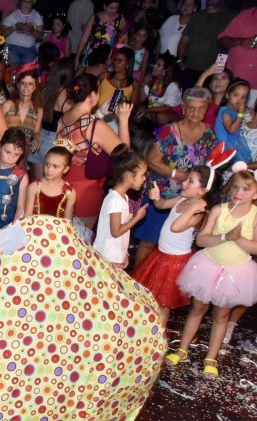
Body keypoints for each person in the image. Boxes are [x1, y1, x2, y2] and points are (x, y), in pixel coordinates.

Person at [168, 167, 257, 377]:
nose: (239, 192)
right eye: (235, 187)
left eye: (246, 189)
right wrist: (225, 236)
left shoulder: (255, 215)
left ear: (255, 193)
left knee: (221, 315)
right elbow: (201, 240)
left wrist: (238, 239)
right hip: (208, 266)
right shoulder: (219, 209)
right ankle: (182, 348)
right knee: (197, 309)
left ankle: (211, 357)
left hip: (235, 273)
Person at [138, 87, 217, 267]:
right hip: (162, 194)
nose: (196, 112)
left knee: (173, 248)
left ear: (206, 109)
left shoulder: (209, 135)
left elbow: (210, 166)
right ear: (183, 107)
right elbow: (152, 160)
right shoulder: (170, 131)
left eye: (201, 108)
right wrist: (178, 175)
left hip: (188, 201)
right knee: (149, 242)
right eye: (191, 108)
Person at [133, 163, 217, 327]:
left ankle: (157, 340)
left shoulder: (199, 213)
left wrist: (192, 208)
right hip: (161, 255)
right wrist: (157, 197)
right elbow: (162, 205)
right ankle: (146, 332)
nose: (184, 183)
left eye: (190, 181)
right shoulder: (184, 198)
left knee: (162, 305)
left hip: (174, 262)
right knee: (151, 299)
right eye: (186, 179)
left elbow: (176, 227)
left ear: (203, 191)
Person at [56, 74, 132, 230]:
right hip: (85, 193)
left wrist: (100, 114)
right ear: (92, 95)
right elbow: (124, 153)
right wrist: (123, 120)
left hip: (63, 185)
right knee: (80, 243)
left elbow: (81, 135)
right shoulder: (94, 125)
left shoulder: (64, 118)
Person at [94, 145, 147, 268]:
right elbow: (116, 231)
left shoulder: (123, 198)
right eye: (142, 175)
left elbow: (122, 233)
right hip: (107, 258)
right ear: (130, 177)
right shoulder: (115, 201)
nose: (144, 179)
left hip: (115, 256)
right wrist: (137, 218)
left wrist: (125, 253)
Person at [0, 129, 29, 234]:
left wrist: (14, 229)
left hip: (7, 228)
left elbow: (21, 208)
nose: (11, 158)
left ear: (21, 153)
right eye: (8, 152)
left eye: (16, 154)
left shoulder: (21, 175)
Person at [178, 0, 231, 88]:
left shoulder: (230, 16)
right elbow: (184, 40)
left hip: (213, 73)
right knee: (187, 99)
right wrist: (180, 61)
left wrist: (222, 69)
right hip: (190, 69)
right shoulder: (197, 16)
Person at [218, 5, 257, 103]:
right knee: (230, 116)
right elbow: (221, 41)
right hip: (235, 84)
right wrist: (240, 41)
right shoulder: (245, 15)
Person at [26, 143, 76, 219]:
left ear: (65, 169)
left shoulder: (69, 192)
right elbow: (27, 217)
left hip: (59, 230)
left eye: (55, 166)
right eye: (47, 164)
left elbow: (68, 222)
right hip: (34, 229)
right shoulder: (34, 187)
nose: (49, 170)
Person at [3, 68, 41, 160]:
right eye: (23, 83)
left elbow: (36, 132)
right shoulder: (8, 105)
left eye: (30, 84)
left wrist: (36, 139)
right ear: (18, 85)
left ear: (35, 87)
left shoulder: (38, 110)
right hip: (6, 153)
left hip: (23, 155)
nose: (26, 87)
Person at [76, 0, 126, 69]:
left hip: (110, 56)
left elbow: (124, 41)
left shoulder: (121, 19)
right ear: (104, 6)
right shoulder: (94, 18)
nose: (113, 10)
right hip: (93, 54)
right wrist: (77, 58)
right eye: (111, 8)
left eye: (116, 8)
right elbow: (84, 38)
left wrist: (113, 57)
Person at [216, 80, 253, 166]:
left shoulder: (236, 110)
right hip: (226, 144)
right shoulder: (225, 112)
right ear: (227, 95)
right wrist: (240, 114)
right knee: (234, 165)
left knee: (242, 165)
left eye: (243, 97)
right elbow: (231, 130)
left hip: (236, 142)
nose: (239, 100)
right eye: (236, 95)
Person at [1, 0, 44, 67]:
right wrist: (15, 27)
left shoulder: (37, 15)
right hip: (12, 47)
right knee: (13, 72)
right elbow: (3, 32)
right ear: (20, 2)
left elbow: (40, 35)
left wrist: (31, 30)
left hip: (29, 49)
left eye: (29, 2)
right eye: (24, 1)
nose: (26, 4)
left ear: (32, 3)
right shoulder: (13, 14)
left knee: (26, 74)